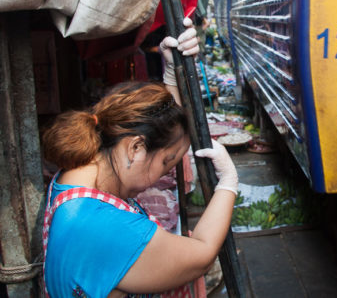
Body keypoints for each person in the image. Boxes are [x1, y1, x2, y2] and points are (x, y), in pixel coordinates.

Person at [41, 18, 237, 297]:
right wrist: (228, 183)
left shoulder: (78, 169)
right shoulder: (105, 226)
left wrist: (172, 78)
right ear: (135, 148)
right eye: (167, 162)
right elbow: (203, 254)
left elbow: (165, 136)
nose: (165, 171)